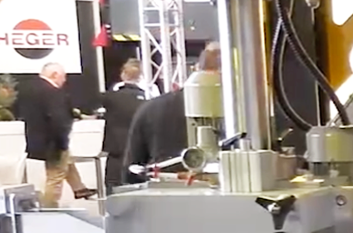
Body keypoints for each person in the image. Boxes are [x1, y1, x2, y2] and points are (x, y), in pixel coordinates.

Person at [124, 43, 215, 175]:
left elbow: (131, 170)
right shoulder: (241, 110)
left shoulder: (151, 108)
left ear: (196, 68)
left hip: (164, 184)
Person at [14, 61, 89, 206]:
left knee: (66, 161)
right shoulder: (53, 92)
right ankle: (49, 208)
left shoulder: (28, 89)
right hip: (53, 141)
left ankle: (79, 188)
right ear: (55, 75)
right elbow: (58, 119)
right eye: (63, 76)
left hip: (37, 139)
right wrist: (63, 141)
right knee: (55, 176)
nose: (64, 80)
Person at [99, 59, 148, 193]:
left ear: (123, 75)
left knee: (113, 186)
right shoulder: (147, 98)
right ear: (140, 76)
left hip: (116, 149)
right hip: (139, 149)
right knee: (139, 187)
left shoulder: (111, 97)